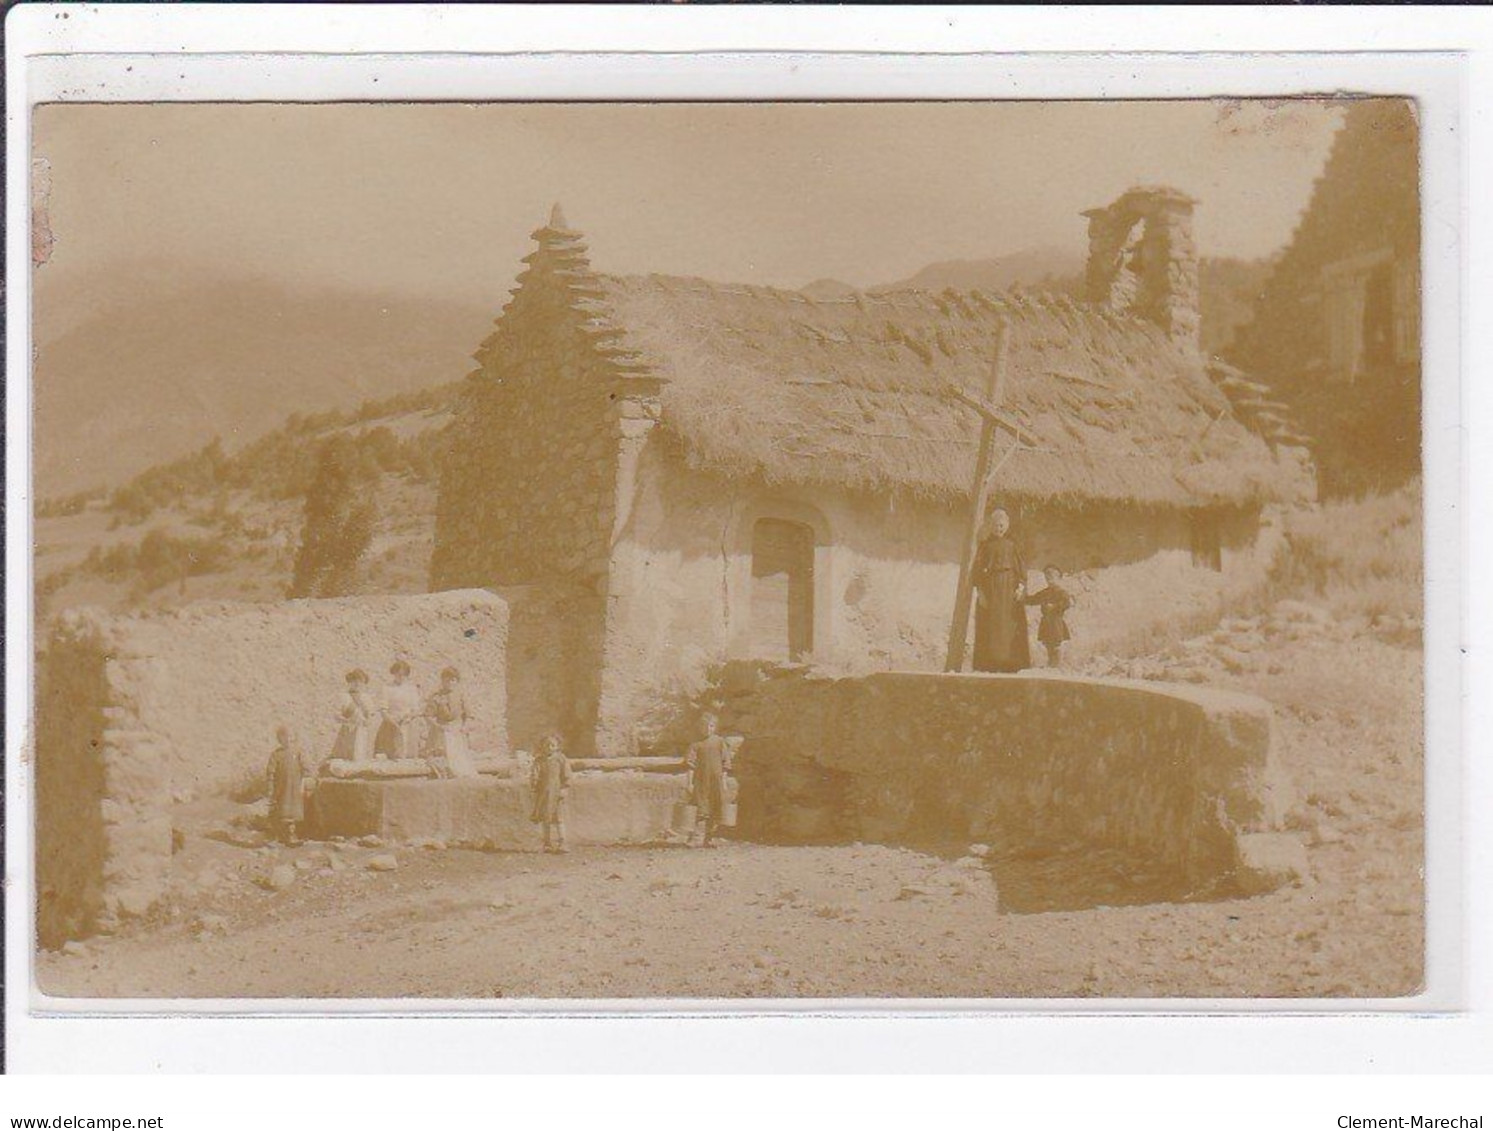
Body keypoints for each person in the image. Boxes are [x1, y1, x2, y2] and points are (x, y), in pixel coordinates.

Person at [971, 506, 1032, 673]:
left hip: (1009, 590)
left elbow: (1020, 569)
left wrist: (1020, 586)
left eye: (1001, 525)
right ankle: (990, 663)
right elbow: (977, 572)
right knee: (992, 626)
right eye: (996, 525)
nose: (999, 528)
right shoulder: (984, 546)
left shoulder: (1013, 545)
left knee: (1009, 626)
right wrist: (981, 593)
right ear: (991, 526)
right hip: (991, 589)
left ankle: (1011, 663)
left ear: (1007, 526)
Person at [685, 711, 732, 848]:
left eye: (711, 726)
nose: (708, 729)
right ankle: (697, 838)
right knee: (701, 809)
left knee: (716, 807)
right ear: (699, 727)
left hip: (716, 782)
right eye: (705, 726)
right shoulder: (696, 744)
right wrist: (689, 783)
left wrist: (724, 783)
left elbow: (725, 764)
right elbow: (690, 765)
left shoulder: (719, 742)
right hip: (701, 782)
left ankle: (711, 838)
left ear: (715, 727)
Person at [425, 667, 477, 778]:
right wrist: (439, 727)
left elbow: (469, 715)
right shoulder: (436, 697)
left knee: (460, 759)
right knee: (442, 758)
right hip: (440, 731)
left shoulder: (461, 696)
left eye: (453, 680)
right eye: (447, 680)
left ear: (457, 681)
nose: (449, 683)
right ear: (442, 681)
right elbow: (428, 716)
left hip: (458, 730)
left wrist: (464, 727)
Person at [265, 725, 314, 844]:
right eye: (284, 737)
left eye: (290, 737)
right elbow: (270, 773)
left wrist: (306, 780)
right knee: (280, 811)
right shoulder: (276, 755)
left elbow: (306, 768)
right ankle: (278, 835)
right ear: (279, 739)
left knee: (293, 812)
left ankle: (292, 835)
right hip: (281, 788)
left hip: (295, 788)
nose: (287, 739)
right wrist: (270, 788)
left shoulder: (298, 752)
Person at [529, 733, 573, 853]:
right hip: (543, 794)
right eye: (546, 745)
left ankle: (563, 842)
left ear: (557, 746)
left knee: (559, 818)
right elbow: (535, 774)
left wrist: (564, 788)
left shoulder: (561, 759)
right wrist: (534, 782)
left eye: (552, 745)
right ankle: (547, 843)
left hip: (556, 793)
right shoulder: (539, 760)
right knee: (545, 818)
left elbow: (567, 775)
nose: (549, 747)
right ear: (542, 746)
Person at [1024, 563, 1074, 669]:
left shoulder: (1062, 592)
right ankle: (1051, 663)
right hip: (1046, 622)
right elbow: (1033, 600)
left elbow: (1067, 603)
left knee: (1056, 645)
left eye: (1052, 577)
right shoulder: (1045, 592)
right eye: (1047, 577)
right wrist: (1022, 596)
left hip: (1056, 621)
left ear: (1059, 578)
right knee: (1048, 644)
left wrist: (1054, 606)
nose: (1049, 580)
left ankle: (1057, 665)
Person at [375, 658, 424, 760]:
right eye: (398, 674)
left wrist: (409, 717)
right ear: (393, 673)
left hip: (407, 723)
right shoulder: (387, 688)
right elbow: (383, 710)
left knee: (407, 752)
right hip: (390, 723)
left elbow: (416, 709)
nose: (401, 677)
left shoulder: (411, 689)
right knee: (389, 754)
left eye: (404, 674)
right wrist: (392, 720)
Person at [331, 669, 377, 763]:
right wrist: (346, 721)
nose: (357, 684)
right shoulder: (344, 697)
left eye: (360, 681)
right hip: (347, 731)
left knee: (361, 754)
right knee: (346, 757)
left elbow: (371, 715)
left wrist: (368, 721)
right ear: (350, 682)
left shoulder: (367, 698)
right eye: (354, 681)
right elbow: (336, 715)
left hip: (362, 731)